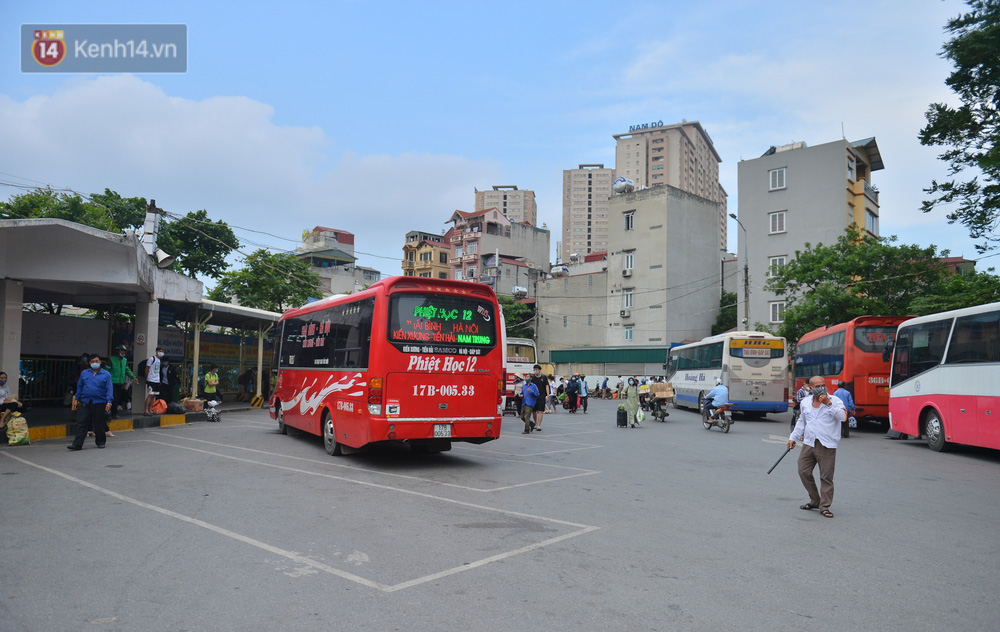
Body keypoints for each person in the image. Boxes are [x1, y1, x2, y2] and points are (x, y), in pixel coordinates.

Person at [787, 375, 847, 518]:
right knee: (803, 471)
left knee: (826, 477)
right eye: (817, 386)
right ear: (810, 388)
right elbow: (802, 421)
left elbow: (843, 417)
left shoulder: (835, 401)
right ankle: (815, 500)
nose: (821, 388)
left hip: (827, 444)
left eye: (823, 385)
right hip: (809, 442)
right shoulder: (806, 402)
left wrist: (828, 403)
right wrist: (793, 437)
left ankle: (824, 506)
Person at [68, 354, 114, 450]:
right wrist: (76, 399)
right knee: (82, 422)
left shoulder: (106, 374)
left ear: (100, 362)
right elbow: (80, 387)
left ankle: (100, 442)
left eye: (96, 361)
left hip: (100, 402)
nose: (94, 363)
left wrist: (109, 401)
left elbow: (109, 388)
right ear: (89, 363)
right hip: (85, 401)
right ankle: (77, 444)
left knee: (99, 423)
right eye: (92, 362)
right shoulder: (84, 373)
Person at [107, 345, 135, 419]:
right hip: (112, 382)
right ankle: (113, 413)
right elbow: (107, 370)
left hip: (120, 382)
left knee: (118, 398)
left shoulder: (124, 360)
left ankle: (113, 412)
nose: (123, 352)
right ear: (117, 351)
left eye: (124, 351)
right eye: (121, 351)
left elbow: (127, 370)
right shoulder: (111, 360)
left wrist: (133, 377)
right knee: (114, 398)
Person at [144, 346, 164, 414]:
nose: (161, 353)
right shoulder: (152, 359)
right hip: (151, 380)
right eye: (160, 351)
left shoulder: (159, 360)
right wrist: (147, 377)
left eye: (162, 351)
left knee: (154, 395)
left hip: (157, 380)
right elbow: (147, 369)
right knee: (150, 394)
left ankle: (150, 409)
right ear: (156, 351)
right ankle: (146, 410)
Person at [528, 365, 548, 431]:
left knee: (540, 411)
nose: (535, 370)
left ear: (539, 370)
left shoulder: (544, 377)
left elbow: (546, 386)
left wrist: (548, 395)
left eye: (536, 369)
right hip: (534, 397)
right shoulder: (533, 378)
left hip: (542, 396)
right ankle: (536, 423)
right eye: (534, 369)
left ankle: (539, 425)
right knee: (534, 411)